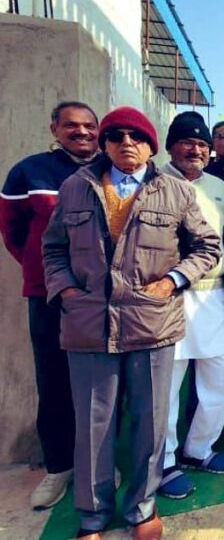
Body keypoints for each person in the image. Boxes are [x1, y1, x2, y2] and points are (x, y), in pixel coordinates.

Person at [42, 106, 221, 539]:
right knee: (92, 425)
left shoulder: (174, 191)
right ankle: (92, 517)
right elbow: (52, 249)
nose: (127, 143)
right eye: (117, 135)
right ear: (103, 143)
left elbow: (207, 246)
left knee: (150, 420)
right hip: (89, 324)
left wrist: (175, 280)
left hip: (151, 323)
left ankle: (142, 508)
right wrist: (67, 290)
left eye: (137, 137)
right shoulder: (76, 187)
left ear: (151, 146)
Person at [1, 101, 99, 510]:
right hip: (49, 298)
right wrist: (46, 275)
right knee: (54, 383)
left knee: (103, 387)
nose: (82, 133)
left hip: (104, 298)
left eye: (90, 126)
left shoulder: (112, 170)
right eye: (71, 126)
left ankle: (101, 465)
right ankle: (59, 467)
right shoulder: (29, 171)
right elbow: (13, 232)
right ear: (55, 128)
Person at [157, 112, 224, 500]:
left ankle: (198, 449)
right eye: (186, 142)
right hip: (167, 297)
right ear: (169, 146)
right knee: (166, 388)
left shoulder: (220, 186)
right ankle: (163, 462)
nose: (195, 149)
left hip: (216, 295)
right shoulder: (152, 182)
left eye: (201, 145)